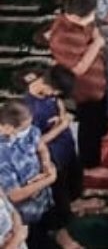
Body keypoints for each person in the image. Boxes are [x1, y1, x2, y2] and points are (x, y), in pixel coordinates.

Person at [24, 65, 85, 247]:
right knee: (59, 198)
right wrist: (61, 126)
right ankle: (62, 234)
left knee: (74, 182)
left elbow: (59, 103)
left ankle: (75, 202)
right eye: (56, 92)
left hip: (66, 147)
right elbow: (34, 144)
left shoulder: (48, 87)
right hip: (52, 159)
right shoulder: (28, 110)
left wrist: (62, 116)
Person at [46, 0, 107, 169]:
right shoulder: (63, 37)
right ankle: (90, 163)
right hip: (85, 87)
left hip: (98, 79)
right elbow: (78, 69)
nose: (93, 18)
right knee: (89, 125)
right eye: (89, 15)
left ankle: (101, 133)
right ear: (73, 15)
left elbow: (93, 30)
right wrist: (97, 44)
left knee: (98, 118)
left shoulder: (80, 22)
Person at [0, 99, 54, 245]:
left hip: (41, 201)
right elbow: (14, 195)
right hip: (22, 216)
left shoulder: (28, 130)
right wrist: (49, 179)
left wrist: (46, 165)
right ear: (8, 127)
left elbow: (41, 147)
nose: (28, 130)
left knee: (45, 232)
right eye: (24, 128)